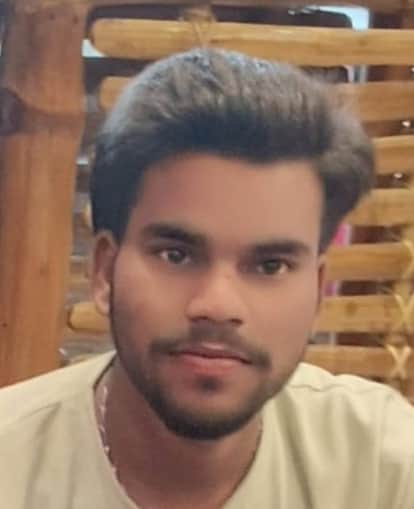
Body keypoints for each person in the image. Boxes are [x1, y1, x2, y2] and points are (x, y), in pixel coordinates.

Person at [1, 48, 413, 509]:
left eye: (270, 266)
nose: (217, 305)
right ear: (104, 271)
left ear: (318, 292)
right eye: (176, 255)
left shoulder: (381, 465)